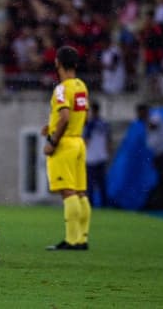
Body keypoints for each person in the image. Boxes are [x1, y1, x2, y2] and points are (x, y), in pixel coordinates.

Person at [43, 46, 91, 251]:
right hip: (79, 142)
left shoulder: (62, 88)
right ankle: (82, 238)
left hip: (65, 144)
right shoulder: (81, 86)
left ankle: (71, 240)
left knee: (68, 191)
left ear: (57, 63)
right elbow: (84, 116)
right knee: (80, 192)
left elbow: (64, 117)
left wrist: (52, 141)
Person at [83, 101, 112, 207]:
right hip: (102, 156)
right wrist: (108, 152)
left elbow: (87, 140)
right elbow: (109, 140)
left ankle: (90, 204)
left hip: (91, 158)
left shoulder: (90, 124)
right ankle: (104, 204)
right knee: (102, 183)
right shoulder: (104, 124)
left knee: (90, 183)